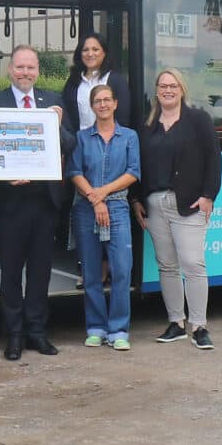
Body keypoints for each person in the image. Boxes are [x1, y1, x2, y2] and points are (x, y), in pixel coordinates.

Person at [0, 45, 76, 360]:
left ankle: (37, 332)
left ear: (38, 71)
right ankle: (13, 334)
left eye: (30, 68)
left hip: (44, 202)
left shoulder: (52, 101)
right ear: (10, 69)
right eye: (20, 67)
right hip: (10, 202)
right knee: (10, 271)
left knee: (41, 271)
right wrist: (1, 176)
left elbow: (70, 144)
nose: (25, 73)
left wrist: (59, 124)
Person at [132, 69, 221, 350]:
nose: (167, 90)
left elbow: (213, 158)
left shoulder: (197, 119)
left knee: (193, 264)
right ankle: (176, 323)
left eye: (173, 86)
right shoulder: (147, 125)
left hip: (189, 203)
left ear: (181, 89)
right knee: (167, 266)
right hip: (155, 204)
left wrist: (208, 195)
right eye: (162, 86)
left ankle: (199, 326)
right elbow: (138, 166)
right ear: (156, 90)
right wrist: (136, 200)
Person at [67, 84, 140, 351]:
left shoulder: (129, 136)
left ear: (115, 103)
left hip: (118, 208)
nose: (103, 105)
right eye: (97, 100)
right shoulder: (82, 137)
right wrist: (94, 199)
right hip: (86, 210)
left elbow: (133, 172)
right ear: (92, 105)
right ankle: (96, 327)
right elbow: (74, 171)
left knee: (122, 270)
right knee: (91, 272)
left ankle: (119, 329)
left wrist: (103, 194)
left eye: (107, 99)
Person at [60, 32, 132, 132]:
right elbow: (66, 116)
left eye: (95, 49)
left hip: (108, 143)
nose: (90, 54)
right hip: (79, 143)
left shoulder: (117, 81)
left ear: (104, 53)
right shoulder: (73, 81)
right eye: (85, 50)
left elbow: (123, 118)